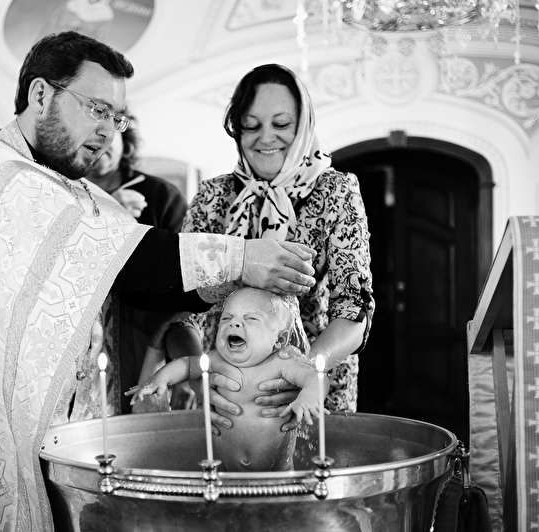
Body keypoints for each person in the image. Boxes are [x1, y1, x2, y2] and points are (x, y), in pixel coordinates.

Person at [0, 32, 316, 532]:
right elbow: (131, 259)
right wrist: (240, 258)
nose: (107, 132)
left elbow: (134, 279)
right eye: (98, 109)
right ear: (41, 95)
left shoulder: (72, 192)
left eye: (117, 118)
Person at [164, 63, 375, 432]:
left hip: (309, 394)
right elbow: (182, 306)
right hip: (225, 392)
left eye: (281, 124)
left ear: (303, 125)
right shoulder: (213, 196)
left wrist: (303, 372)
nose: (265, 137)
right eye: (251, 124)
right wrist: (201, 376)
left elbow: (354, 307)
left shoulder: (337, 191)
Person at [128, 287, 322, 472]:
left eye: (251, 318)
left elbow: (315, 377)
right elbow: (187, 365)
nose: (234, 323)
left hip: (278, 474)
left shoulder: (283, 362)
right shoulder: (216, 360)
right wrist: (159, 379)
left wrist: (308, 397)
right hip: (227, 471)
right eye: (227, 317)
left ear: (279, 340)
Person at [86, 109, 190, 413]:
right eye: (90, 130)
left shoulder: (162, 196)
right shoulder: (60, 194)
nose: (100, 140)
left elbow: (184, 279)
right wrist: (109, 213)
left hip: (142, 341)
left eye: (109, 130)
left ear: (124, 136)